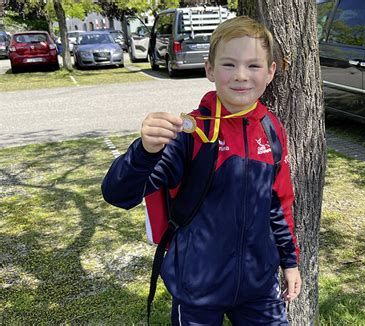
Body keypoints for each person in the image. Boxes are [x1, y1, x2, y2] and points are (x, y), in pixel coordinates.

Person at [102, 15, 301, 325]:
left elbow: (279, 205)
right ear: (209, 69)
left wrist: (290, 263)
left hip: (258, 288)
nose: (241, 76)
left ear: (271, 72)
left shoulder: (272, 130)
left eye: (253, 65)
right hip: (196, 288)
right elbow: (118, 194)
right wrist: (144, 151)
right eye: (228, 64)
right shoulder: (190, 133)